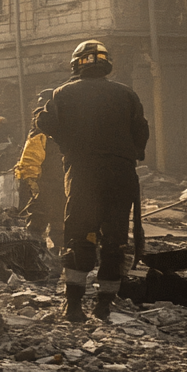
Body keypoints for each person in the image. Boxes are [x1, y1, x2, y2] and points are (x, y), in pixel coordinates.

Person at [35, 40, 149, 323]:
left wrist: (57, 130)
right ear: (107, 64)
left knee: (79, 237)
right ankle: (104, 307)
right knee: (114, 241)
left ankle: (73, 307)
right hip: (122, 174)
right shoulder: (127, 94)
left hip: (83, 173)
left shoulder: (62, 93)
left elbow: (44, 124)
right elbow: (141, 133)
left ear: (76, 64)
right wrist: (130, 153)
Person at [15, 90, 65, 251]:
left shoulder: (40, 128)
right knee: (59, 216)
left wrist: (29, 180)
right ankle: (59, 251)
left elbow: (30, 158)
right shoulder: (66, 125)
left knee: (39, 217)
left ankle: (34, 251)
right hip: (62, 181)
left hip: (45, 182)